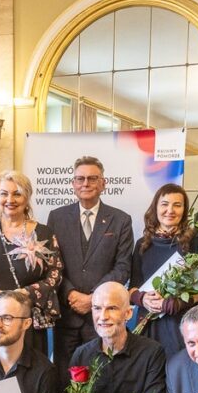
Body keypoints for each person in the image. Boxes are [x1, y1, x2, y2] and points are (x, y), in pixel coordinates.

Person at [0, 170, 62, 357]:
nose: (10, 199)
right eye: (4, 193)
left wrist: (24, 294)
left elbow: (55, 274)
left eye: (17, 193)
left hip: (25, 315)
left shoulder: (45, 233)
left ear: (27, 197)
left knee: (25, 374)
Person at [48, 156, 133, 372]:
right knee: (63, 378)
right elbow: (52, 263)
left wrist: (93, 298)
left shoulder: (121, 220)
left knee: (101, 376)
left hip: (102, 317)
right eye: (80, 179)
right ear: (73, 184)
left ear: (103, 183)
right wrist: (70, 294)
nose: (85, 183)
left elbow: (122, 267)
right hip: (67, 314)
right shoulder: (56, 218)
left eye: (92, 178)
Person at [129, 183, 198, 357]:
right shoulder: (142, 244)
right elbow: (131, 289)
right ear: (155, 207)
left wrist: (175, 303)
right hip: (148, 324)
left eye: (177, 205)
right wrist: (143, 299)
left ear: (184, 210)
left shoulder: (194, 242)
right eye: (164, 204)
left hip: (180, 325)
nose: (170, 210)